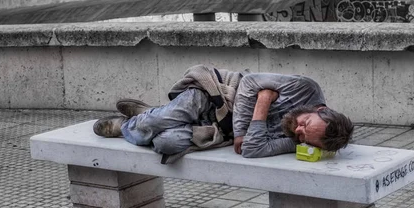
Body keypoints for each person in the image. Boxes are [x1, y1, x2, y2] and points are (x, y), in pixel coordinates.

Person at [93, 65, 354, 162]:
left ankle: (147, 115)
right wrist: (243, 130)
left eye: (304, 137)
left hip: (219, 131)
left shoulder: (297, 140)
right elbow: (250, 84)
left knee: (165, 142)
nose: (298, 131)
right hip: (216, 96)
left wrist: (263, 102)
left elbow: (251, 150)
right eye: (305, 123)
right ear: (321, 109)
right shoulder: (306, 88)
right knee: (160, 123)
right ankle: (125, 127)